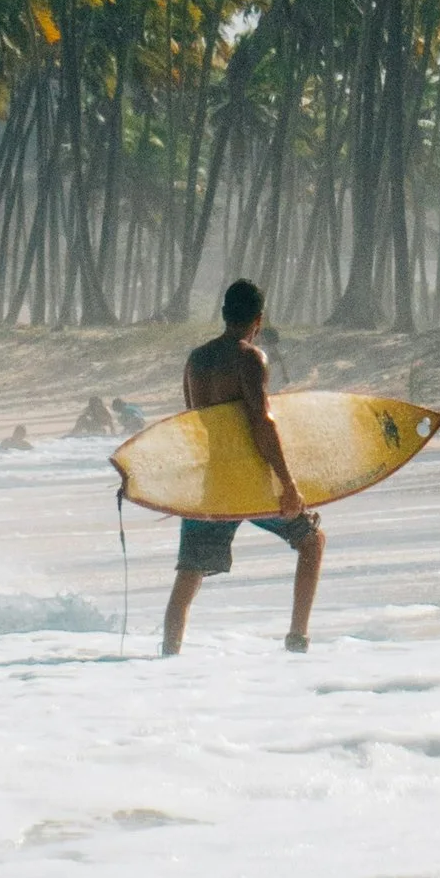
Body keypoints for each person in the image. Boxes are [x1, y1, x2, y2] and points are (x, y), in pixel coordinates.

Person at [162, 278, 323, 657]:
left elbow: (195, 422)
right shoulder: (249, 358)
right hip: (250, 479)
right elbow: (261, 424)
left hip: (212, 480)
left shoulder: (196, 360)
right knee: (311, 542)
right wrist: (287, 483)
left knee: (189, 574)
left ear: (222, 314)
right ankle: (297, 643)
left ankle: (166, 659)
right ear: (258, 320)